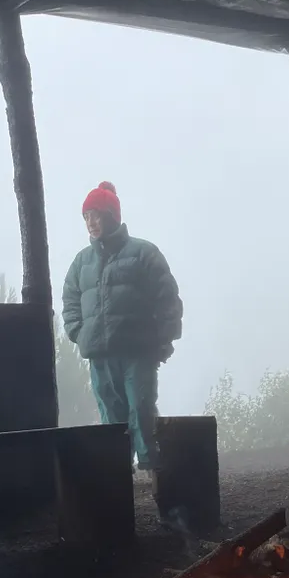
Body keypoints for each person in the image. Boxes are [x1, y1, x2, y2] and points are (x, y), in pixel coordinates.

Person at [62, 181, 182, 476]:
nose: (91, 223)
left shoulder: (143, 253)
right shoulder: (81, 262)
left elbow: (167, 297)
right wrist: (79, 332)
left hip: (137, 351)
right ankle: (118, 475)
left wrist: (164, 339)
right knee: (111, 419)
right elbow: (70, 300)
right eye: (86, 216)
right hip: (100, 355)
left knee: (141, 412)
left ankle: (156, 475)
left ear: (112, 216)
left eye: (97, 215)